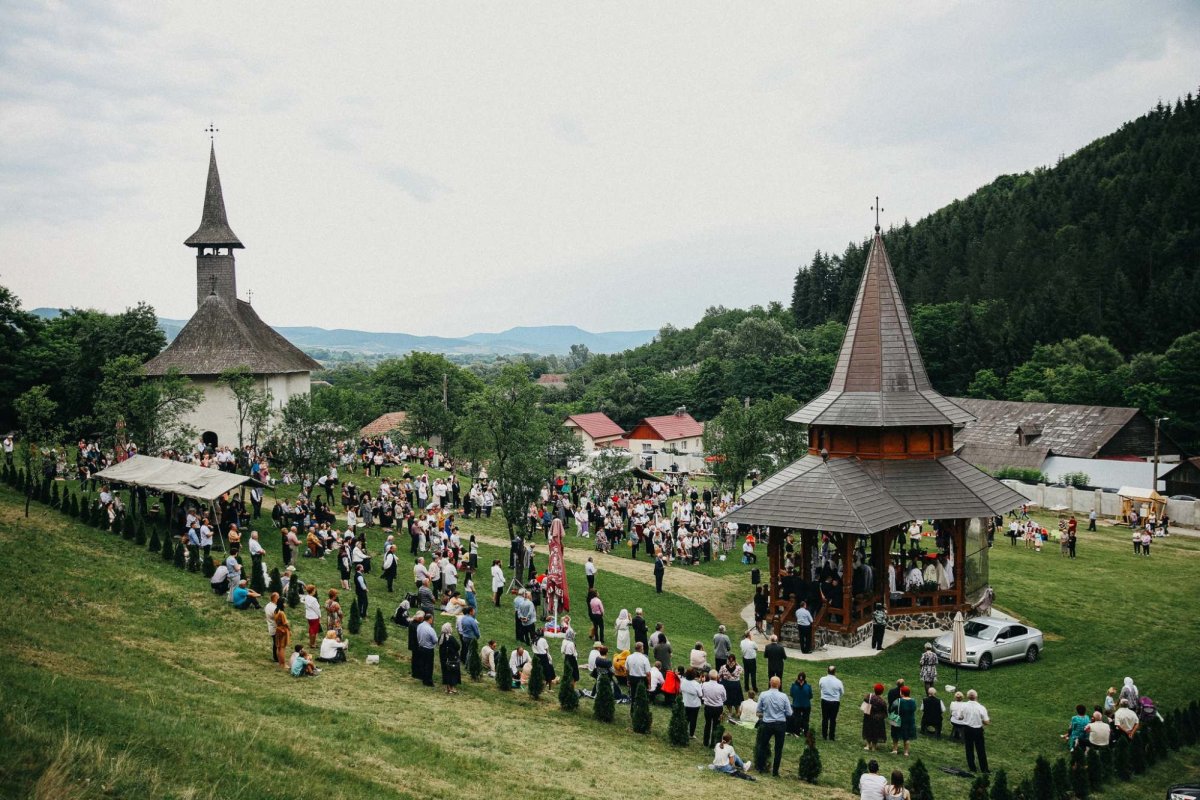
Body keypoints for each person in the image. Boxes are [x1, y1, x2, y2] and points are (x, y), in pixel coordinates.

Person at [755, 676, 792, 776]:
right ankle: (775, 771)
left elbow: (758, 710)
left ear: (770, 683)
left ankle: (761, 767)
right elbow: (789, 713)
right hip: (780, 723)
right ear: (779, 684)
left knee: (762, 746)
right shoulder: (783, 696)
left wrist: (766, 712)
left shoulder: (763, 694)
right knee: (778, 749)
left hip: (767, 723)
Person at [960, 689, 990, 773]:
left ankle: (972, 768)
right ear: (976, 696)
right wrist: (982, 720)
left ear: (967, 696)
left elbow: (960, 717)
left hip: (967, 729)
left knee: (969, 749)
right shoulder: (981, 707)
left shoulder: (964, 706)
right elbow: (987, 722)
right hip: (977, 730)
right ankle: (984, 769)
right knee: (981, 749)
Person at [700, 669, 727, 747]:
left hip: (708, 707)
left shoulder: (704, 684)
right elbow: (724, 698)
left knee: (707, 724)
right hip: (717, 708)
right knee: (716, 725)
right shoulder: (721, 687)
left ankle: (705, 742)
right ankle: (713, 743)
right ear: (717, 677)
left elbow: (702, 694)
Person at [819, 665, 844, 741]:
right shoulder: (838, 682)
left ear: (827, 671)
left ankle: (824, 735)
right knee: (833, 719)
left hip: (825, 700)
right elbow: (842, 692)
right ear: (835, 672)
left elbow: (820, 687)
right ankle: (831, 736)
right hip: (835, 702)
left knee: (825, 718)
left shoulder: (822, 679)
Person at [891, 686, 918, 757]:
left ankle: (895, 749)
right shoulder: (913, 701)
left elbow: (892, 708)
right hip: (909, 720)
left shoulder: (898, 700)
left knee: (895, 735)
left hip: (898, 720)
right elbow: (914, 709)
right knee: (907, 737)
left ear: (902, 693)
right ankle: (906, 752)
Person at [862, 683, 888, 751]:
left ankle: (867, 745)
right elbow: (885, 712)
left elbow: (864, 704)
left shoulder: (869, 696)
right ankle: (874, 746)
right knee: (876, 732)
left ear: (874, 689)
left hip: (868, 717)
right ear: (882, 692)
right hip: (877, 719)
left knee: (868, 730)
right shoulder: (882, 701)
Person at [415, 613, 437, 687]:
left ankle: (423, 677)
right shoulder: (430, 629)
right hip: (428, 649)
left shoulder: (419, 626)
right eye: (432, 619)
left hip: (421, 647)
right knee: (429, 665)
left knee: (423, 663)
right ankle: (428, 681)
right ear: (430, 619)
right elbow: (435, 640)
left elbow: (417, 635)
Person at [439, 622, 461, 694]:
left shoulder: (441, 637)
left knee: (445, 672)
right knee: (452, 673)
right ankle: (452, 688)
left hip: (443, 658)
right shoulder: (451, 638)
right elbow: (457, 646)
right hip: (452, 658)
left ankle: (447, 687)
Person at [681, 668, 703, 739]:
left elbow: (680, 690)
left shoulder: (683, 681)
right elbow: (700, 695)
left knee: (685, 718)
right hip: (694, 705)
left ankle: (683, 730)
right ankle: (691, 734)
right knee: (693, 720)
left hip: (685, 702)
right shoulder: (696, 684)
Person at [272, 602, 291, 668]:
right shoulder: (282, 613)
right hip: (283, 630)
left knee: (279, 647)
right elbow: (286, 623)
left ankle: (280, 663)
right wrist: (289, 629)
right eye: (284, 603)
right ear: (282, 603)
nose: (285, 604)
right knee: (282, 647)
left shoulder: (275, 611)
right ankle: (283, 664)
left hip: (278, 629)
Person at [264, 591, 280, 662]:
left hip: (270, 626)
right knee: (276, 643)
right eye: (278, 597)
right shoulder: (274, 608)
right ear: (275, 598)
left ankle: (276, 656)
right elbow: (277, 618)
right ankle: (276, 657)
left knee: (275, 643)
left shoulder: (268, 605)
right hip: (275, 627)